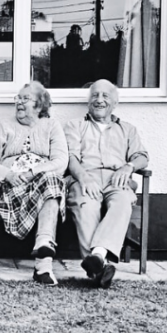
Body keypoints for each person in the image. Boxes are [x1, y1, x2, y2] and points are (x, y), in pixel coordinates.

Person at [0, 80, 68, 286]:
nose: (19, 103)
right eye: (17, 98)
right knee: (52, 187)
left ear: (40, 104)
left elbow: (61, 162)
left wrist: (33, 172)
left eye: (25, 99)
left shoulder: (52, 126)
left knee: (52, 181)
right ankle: (43, 262)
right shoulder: (5, 126)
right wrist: (8, 174)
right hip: (11, 189)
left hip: (41, 186)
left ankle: (44, 252)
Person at [65, 79, 149, 289]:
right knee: (86, 206)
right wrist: (83, 177)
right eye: (95, 96)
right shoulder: (75, 126)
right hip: (86, 178)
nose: (99, 100)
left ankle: (97, 258)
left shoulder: (127, 129)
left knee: (122, 202)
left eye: (105, 96)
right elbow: (71, 158)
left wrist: (128, 167)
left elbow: (142, 156)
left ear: (115, 102)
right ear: (88, 101)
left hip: (116, 180)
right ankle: (100, 266)